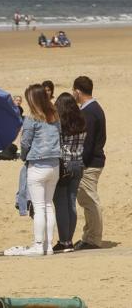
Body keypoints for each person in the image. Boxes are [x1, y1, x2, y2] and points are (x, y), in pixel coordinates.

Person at [18, 84, 61, 256]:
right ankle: (48, 245)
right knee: (49, 205)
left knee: (39, 206)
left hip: (37, 165)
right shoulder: (54, 116)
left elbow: (25, 142)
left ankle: (38, 244)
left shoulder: (32, 118)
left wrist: (23, 156)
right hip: (54, 164)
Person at [72, 76, 106, 250]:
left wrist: (80, 164)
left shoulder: (89, 111)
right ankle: (89, 235)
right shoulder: (93, 108)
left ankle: (93, 238)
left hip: (90, 163)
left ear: (78, 91)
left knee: (89, 200)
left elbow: (88, 142)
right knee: (88, 200)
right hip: (94, 160)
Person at [53, 92, 86, 253]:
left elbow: (57, 146)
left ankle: (64, 241)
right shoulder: (81, 121)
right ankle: (69, 240)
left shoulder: (60, 124)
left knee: (60, 204)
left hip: (64, 165)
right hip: (78, 164)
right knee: (71, 203)